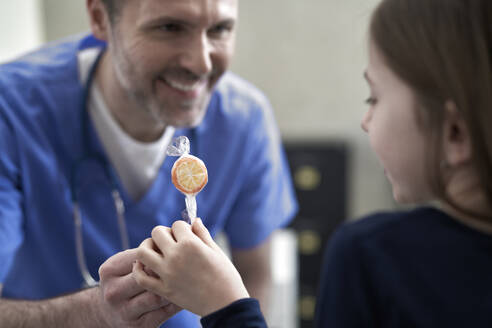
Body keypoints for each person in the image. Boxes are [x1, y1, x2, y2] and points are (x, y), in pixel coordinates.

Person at [132, 0, 492, 326]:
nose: (366, 121)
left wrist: (223, 304)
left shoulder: (369, 255)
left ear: (455, 132)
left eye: (374, 97)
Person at [0, 0, 298, 327]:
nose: (201, 63)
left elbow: (254, 277)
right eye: (170, 28)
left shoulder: (243, 119)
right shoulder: (12, 111)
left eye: (220, 29)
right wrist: (95, 313)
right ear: (100, 19)